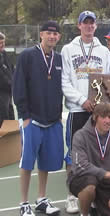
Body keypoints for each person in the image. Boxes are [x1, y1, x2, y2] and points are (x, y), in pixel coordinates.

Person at [61, 10, 110, 214]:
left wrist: (99, 104)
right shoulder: (68, 49)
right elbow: (64, 81)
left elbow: (108, 80)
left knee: (96, 153)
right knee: (75, 153)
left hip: (97, 111)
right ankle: (72, 195)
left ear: (96, 26)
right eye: (85, 23)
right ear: (79, 26)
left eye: (92, 23)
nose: (89, 26)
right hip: (77, 109)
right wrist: (82, 100)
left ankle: (91, 193)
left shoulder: (104, 51)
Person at [13, 21, 63, 216]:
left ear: (58, 37)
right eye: (48, 33)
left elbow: (60, 88)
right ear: (41, 34)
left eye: (55, 34)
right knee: (26, 163)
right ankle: (24, 203)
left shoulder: (58, 59)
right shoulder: (27, 56)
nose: (52, 36)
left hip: (52, 120)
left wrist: (58, 115)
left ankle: (41, 198)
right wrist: (24, 116)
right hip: (31, 120)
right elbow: (18, 86)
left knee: (46, 162)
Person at [67, 102, 110, 216]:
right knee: (90, 187)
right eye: (103, 117)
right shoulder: (80, 135)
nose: (107, 121)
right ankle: (85, 213)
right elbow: (80, 166)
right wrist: (109, 175)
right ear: (95, 117)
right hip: (82, 178)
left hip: (105, 184)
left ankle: (96, 205)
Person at [0, 32, 15, 127]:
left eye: (3, 42)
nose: (2, 45)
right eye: (0, 43)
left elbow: (12, 69)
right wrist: (11, 84)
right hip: (2, 93)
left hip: (8, 93)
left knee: (10, 117)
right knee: (3, 118)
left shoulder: (4, 54)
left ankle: (10, 140)